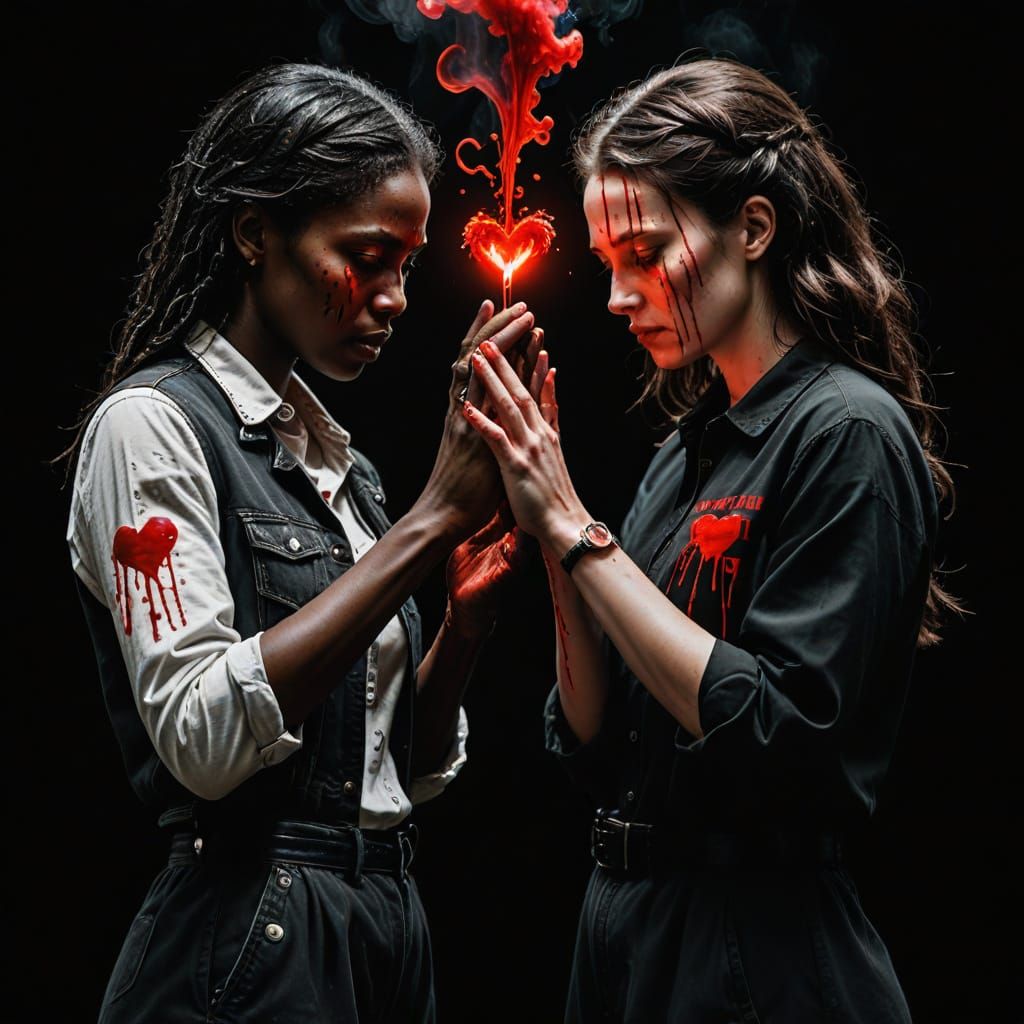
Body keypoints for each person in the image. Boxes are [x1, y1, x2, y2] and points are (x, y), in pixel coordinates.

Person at [462, 57, 957, 1022]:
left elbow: (780, 735)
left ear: (755, 228)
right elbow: (598, 742)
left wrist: (575, 525)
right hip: (625, 940)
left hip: (755, 955)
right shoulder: (678, 461)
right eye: (608, 262)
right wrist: (549, 529)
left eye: (645, 252)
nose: (617, 294)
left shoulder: (846, 432)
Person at [61, 63, 541, 1023]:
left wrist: (465, 626)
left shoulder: (342, 469)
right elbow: (201, 736)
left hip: (380, 925)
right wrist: (429, 522)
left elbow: (385, 770)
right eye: (367, 256)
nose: (395, 297)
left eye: (406, 264)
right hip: (251, 941)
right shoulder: (150, 427)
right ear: (254, 233)